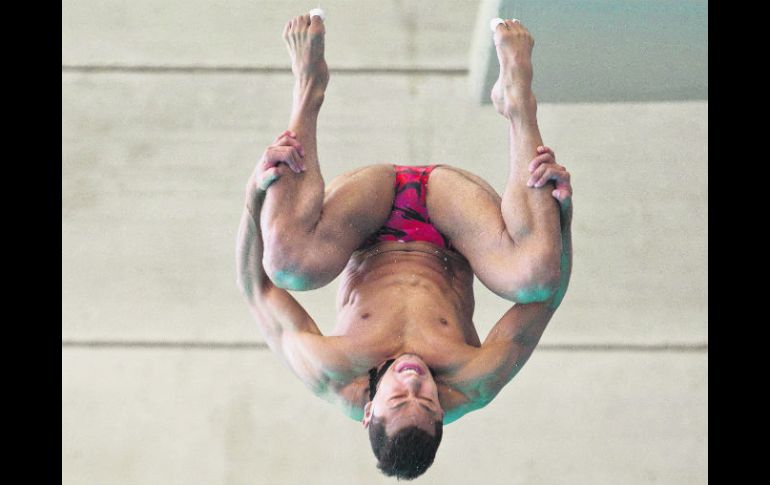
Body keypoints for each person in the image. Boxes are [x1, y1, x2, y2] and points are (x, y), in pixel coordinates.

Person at [236, 12, 573, 480]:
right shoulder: (475, 381)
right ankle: (518, 102)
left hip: (366, 217)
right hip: (450, 219)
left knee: (287, 266)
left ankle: (306, 92)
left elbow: (256, 290)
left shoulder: (329, 370)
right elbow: (548, 298)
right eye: (427, 400)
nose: (414, 381)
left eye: (399, 396)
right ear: (441, 415)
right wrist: (561, 218)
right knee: (536, 275)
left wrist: (254, 193)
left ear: (370, 411)